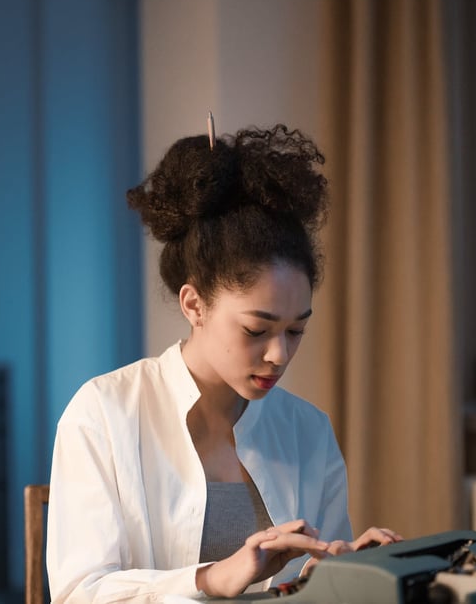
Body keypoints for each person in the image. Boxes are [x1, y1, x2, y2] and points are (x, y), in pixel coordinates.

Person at [46, 124, 401, 603]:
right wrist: (213, 578)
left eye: (296, 330)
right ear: (194, 305)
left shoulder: (308, 432)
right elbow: (80, 593)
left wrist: (345, 572)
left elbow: (307, 590)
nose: (279, 355)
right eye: (257, 330)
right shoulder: (105, 414)